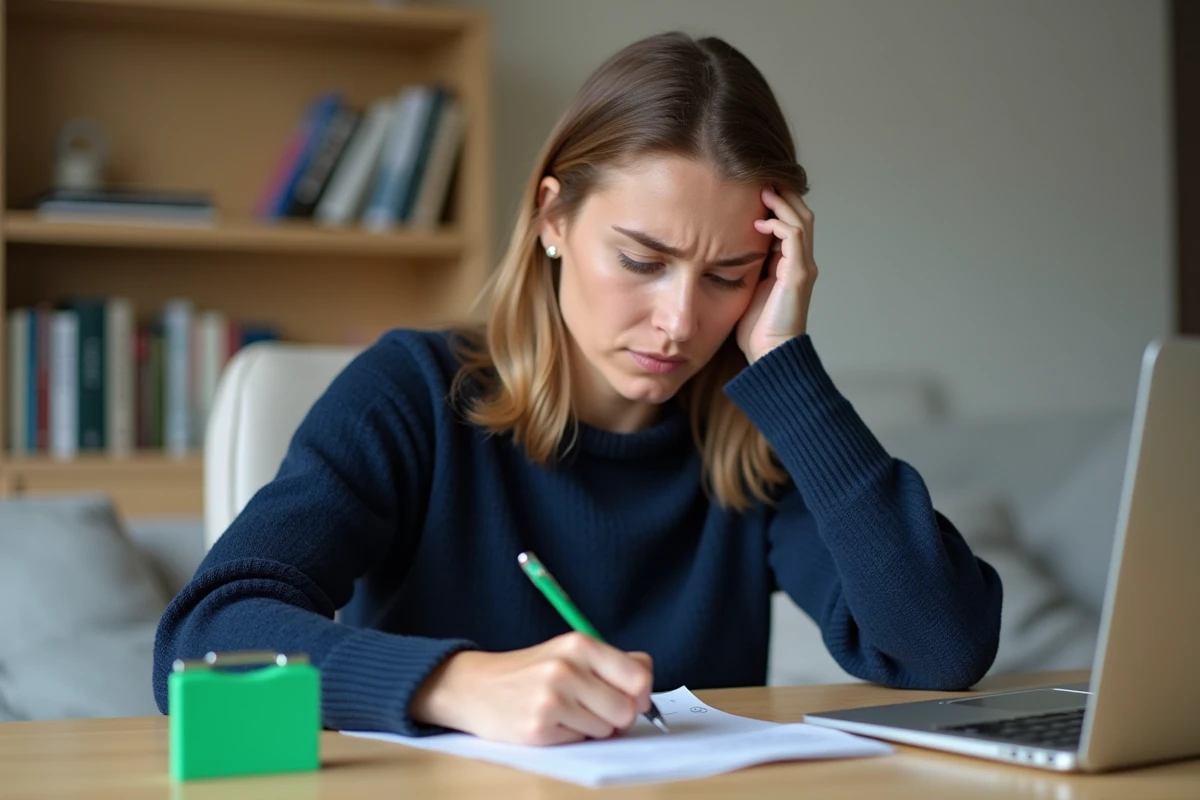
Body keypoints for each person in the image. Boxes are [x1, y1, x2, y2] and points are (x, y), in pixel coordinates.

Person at [153, 31, 1002, 746]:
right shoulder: (410, 395)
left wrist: (785, 361)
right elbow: (202, 641)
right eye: (641, 260)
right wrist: (454, 684)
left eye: (729, 276)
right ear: (552, 219)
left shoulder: (761, 435)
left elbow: (943, 649)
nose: (678, 322)